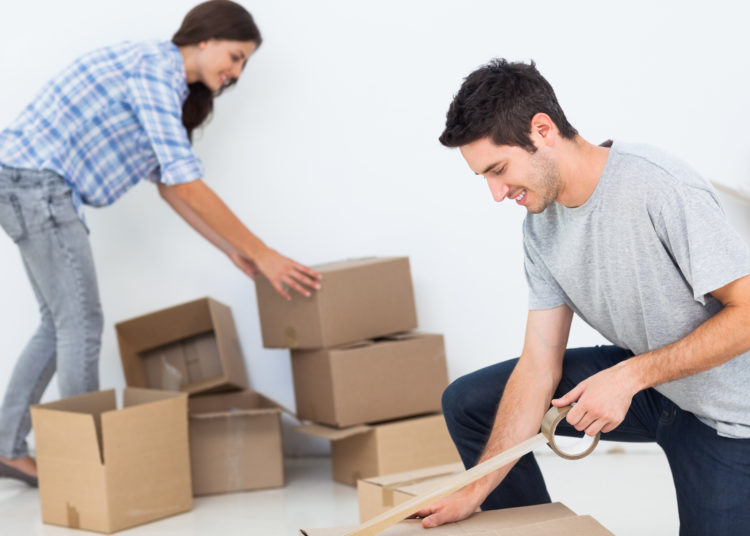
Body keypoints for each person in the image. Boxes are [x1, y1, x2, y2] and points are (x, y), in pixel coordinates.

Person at [413, 59, 750, 535]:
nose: (495, 192)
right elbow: (537, 365)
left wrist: (630, 376)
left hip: (731, 415)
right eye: (484, 177)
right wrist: (476, 489)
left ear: (543, 130)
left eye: (499, 169)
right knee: (471, 402)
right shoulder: (540, 227)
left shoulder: (659, 186)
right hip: (656, 388)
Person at [0, 0, 321, 487]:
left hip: (29, 184)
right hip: (36, 184)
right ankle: (86, 468)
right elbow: (188, 183)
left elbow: (169, 184)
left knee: (58, 324)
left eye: (244, 64)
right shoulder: (155, 69)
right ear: (205, 38)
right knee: (80, 325)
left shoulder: (168, 89)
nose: (236, 71)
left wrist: (228, 248)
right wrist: (264, 253)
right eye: (235, 56)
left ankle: (6, 447)